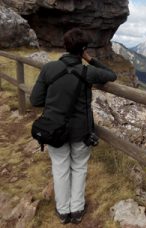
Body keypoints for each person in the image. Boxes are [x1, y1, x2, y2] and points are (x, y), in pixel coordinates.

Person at [30, 28, 117, 224]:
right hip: (81, 131)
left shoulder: (49, 68)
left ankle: (63, 211)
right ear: (84, 49)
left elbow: (35, 100)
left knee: (60, 168)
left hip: (53, 129)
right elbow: (111, 75)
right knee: (79, 168)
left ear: (65, 46)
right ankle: (77, 210)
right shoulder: (88, 72)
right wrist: (90, 59)